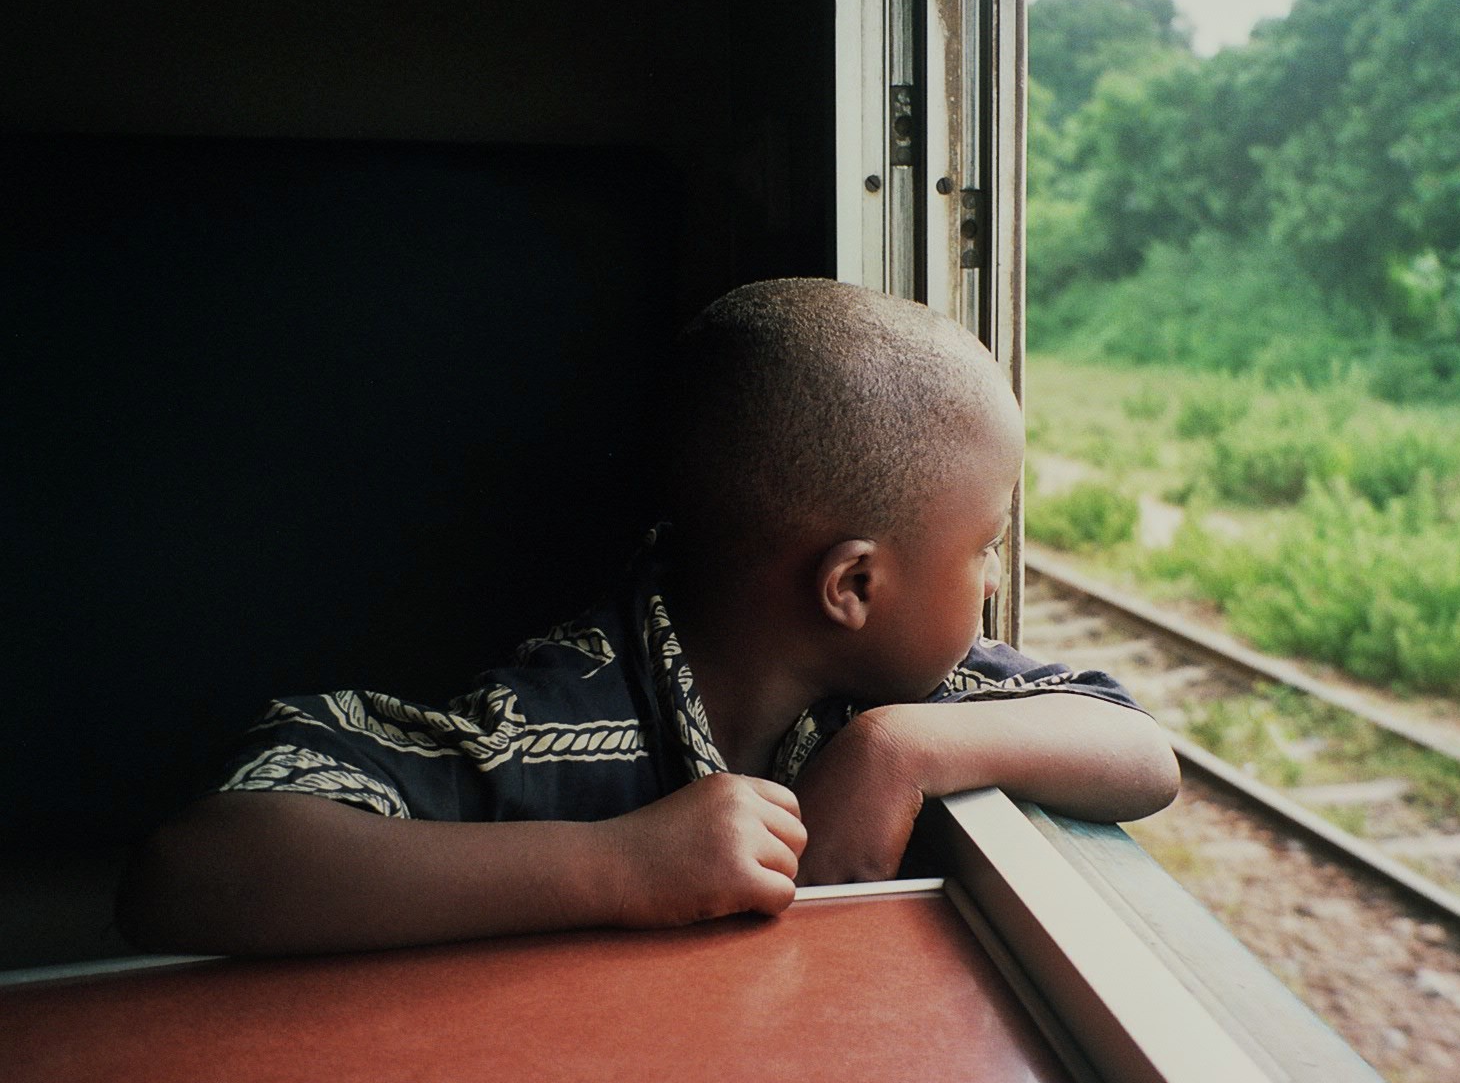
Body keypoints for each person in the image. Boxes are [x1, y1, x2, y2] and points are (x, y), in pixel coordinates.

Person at [116, 279, 1179, 955]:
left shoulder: (899, 689)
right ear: (853, 588)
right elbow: (195, 871)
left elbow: (1141, 753)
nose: (992, 581)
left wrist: (900, 751)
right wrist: (623, 867)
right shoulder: (558, 717)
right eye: (984, 546)